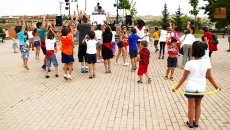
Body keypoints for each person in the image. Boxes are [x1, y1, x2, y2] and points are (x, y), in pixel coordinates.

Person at [172, 41, 221, 130]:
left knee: (191, 106)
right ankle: (196, 124)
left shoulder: (189, 63)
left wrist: (176, 87)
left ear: (192, 51)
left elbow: (184, 78)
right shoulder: (206, 62)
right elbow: (209, 77)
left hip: (191, 87)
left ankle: (190, 125)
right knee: (198, 105)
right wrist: (216, 86)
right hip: (201, 87)